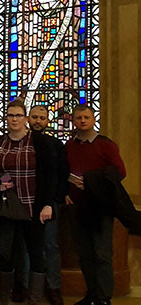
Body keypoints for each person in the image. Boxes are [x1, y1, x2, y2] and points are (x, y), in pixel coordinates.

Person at [0, 99, 56, 305]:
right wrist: (2, 181)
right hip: (8, 207)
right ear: (6, 118)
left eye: (18, 115)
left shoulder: (39, 142)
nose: (14, 119)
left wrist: (48, 204)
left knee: (36, 251)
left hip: (33, 206)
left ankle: (35, 298)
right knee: (7, 252)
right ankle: (5, 296)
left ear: (25, 118)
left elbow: (50, 175)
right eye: (10, 115)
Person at [65, 105, 126, 305]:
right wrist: (66, 191)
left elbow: (119, 172)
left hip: (100, 206)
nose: (82, 121)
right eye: (78, 118)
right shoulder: (69, 145)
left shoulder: (106, 145)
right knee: (84, 254)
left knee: (102, 254)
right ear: (73, 121)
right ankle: (91, 294)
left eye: (86, 117)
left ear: (93, 119)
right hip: (77, 205)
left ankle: (104, 297)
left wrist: (91, 181)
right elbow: (63, 171)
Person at [11, 105, 69, 305]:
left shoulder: (54, 144)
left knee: (50, 245)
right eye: (34, 117)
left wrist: (56, 200)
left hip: (48, 203)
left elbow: (61, 174)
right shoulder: (16, 141)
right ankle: (24, 286)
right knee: (24, 247)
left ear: (47, 121)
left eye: (42, 118)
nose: (37, 121)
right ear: (28, 118)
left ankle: (53, 287)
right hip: (24, 203)